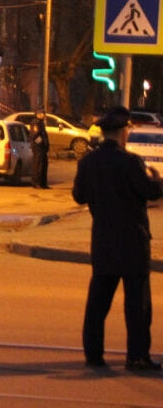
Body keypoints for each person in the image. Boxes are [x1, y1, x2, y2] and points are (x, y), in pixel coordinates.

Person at [72, 106, 163, 371]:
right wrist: (156, 180)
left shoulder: (87, 162)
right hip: (133, 241)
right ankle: (136, 356)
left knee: (98, 303)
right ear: (123, 131)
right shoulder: (130, 162)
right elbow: (149, 192)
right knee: (137, 304)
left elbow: (79, 196)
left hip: (103, 240)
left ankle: (93, 354)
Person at [30, 111, 50, 189]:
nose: (44, 115)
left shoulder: (41, 123)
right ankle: (36, 182)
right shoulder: (35, 122)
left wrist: (46, 145)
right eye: (42, 114)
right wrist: (41, 143)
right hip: (38, 148)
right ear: (38, 114)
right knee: (38, 165)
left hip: (43, 148)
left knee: (44, 165)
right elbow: (35, 136)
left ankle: (43, 183)